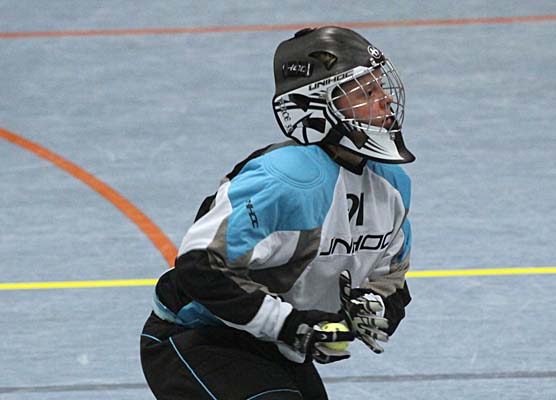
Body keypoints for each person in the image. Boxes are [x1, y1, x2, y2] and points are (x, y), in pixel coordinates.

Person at [140, 26, 415, 400]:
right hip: (198, 337)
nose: (385, 99)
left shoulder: (392, 185)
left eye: (379, 86)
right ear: (318, 105)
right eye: (366, 92)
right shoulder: (287, 179)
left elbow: (391, 278)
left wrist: (374, 308)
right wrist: (290, 325)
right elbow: (200, 266)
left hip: (274, 346)